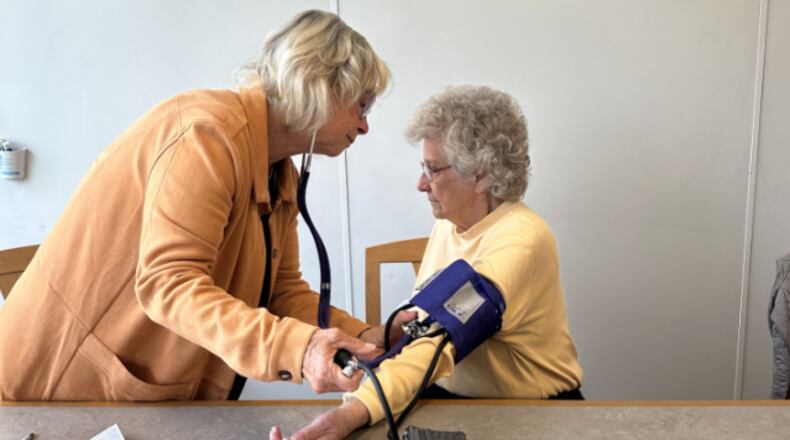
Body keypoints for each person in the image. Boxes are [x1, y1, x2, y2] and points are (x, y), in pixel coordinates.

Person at [0, 10, 398, 401]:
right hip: (51, 395)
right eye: (361, 106)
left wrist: (362, 338)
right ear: (317, 85)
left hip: (129, 397)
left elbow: (282, 292)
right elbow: (168, 284)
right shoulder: (206, 137)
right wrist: (299, 350)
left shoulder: (281, 172)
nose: (364, 126)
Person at [272, 85, 583, 439]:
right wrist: (356, 396)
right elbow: (420, 325)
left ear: (480, 175)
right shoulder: (450, 224)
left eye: (433, 170)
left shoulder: (522, 242)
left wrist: (351, 412)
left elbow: (436, 341)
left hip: (531, 412)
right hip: (448, 400)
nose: (421, 183)